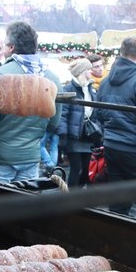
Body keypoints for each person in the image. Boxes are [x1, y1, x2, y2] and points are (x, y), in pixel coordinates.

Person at [0, 21, 62, 183]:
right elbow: (54, 122)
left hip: (0, 158)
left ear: (11, 48)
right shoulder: (52, 78)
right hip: (31, 156)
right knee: (23, 206)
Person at [94, 37, 136, 217]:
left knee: (118, 200)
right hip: (135, 148)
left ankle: (115, 234)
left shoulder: (105, 81)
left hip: (111, 145)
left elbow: (98, 114)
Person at [57, 58, 99, 187]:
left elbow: (96, 112)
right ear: (82, 71)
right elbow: (63, 114)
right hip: (73, 136)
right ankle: (71, 198)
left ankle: (79, 195)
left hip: (88, 135)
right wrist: (63, 135)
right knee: (76, 168)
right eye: (88, 70)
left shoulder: (91, 89)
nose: (90, 72)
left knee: (86, 169)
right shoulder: (68, 89)